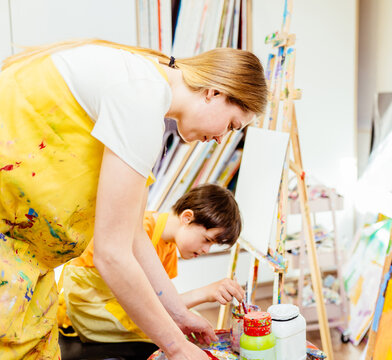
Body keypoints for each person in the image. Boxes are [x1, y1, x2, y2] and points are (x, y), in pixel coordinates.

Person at [0, 39, 267, 360]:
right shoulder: (142, 96)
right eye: (231, 124)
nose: (222, 137)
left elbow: (133, 235)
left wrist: (179, 316)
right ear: (214, 93)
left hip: (27, 260)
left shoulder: (143, 88)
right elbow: (113, 254)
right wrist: (177, 348)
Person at [57, 184, 244, 354]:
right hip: (89, 306)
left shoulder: (169, 248)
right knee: (168, 331)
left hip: (115, 303)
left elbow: (161, 302)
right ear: (187, 217)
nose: (206, 250)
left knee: (191, 322)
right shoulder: (143, 228)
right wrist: (204, 293)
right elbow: (147, 304)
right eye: (207, 240)